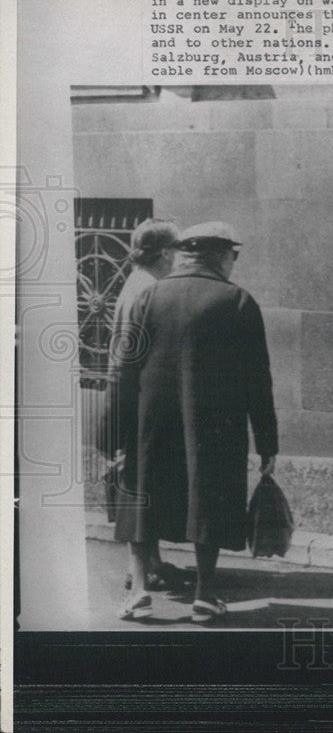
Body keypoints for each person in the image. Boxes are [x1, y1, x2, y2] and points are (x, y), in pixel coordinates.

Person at [112, 221, 278, 623]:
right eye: (233, 256)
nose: (234, 263)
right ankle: (205, 594)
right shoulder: (237, 301)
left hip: (148, 422)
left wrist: (114, 432)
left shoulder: (149, 296)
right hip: (216, 425)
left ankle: (138, 592)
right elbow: (258, 379)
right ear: (219, 255)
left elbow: (123, 369)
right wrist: (267, 442)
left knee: (142, 496)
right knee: (209, 500)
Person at [102, 217, 198, 593]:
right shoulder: (147, 288)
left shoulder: (142, 283)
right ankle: (139, 569)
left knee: (146, 483)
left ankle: (152, 563)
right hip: (134, 396)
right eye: (177, 249)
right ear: (163, 252)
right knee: (137, 483)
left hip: (133, 393)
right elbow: (128, 357)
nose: (180, 257)